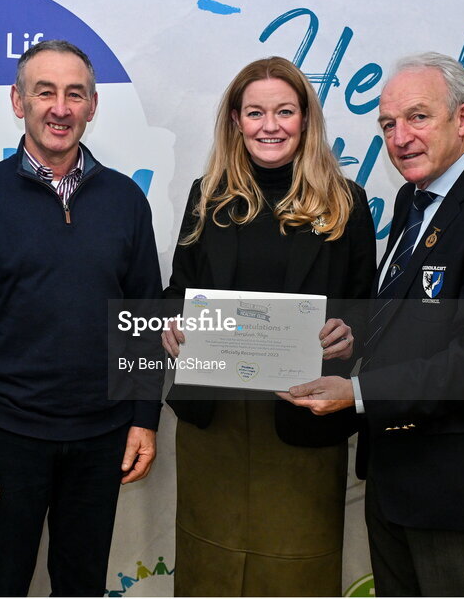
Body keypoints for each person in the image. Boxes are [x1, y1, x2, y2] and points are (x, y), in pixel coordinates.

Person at [282, 52, 464, 596]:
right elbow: (414, 322)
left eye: (417, 117)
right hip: (395, 478)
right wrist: (357, 337)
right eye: (388, 124)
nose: (400, 137)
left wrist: (356, 392)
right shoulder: (413, 200)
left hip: (456, 487)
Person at [0, 39, 163, 597]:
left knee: (82, 586)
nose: (59, 107)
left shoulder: (126, 199)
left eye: (74, 94)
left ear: (92, 106)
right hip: (4, 437)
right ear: (18, 101)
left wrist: (143, 418)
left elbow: (143, 318)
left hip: (102, 435)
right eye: (45, 92)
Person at [161, 56, 377, 596]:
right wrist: (168, 326)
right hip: (216, 424)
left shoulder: (346, 202)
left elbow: (365, 312)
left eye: (284, 111)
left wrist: (346, 334)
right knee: (208, 570)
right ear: (236, 120)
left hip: (303, 420)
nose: (270, 125)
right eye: (255, 112)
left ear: (306, 119)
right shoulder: (206, 195)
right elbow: (177, 294)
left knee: (297, 572)